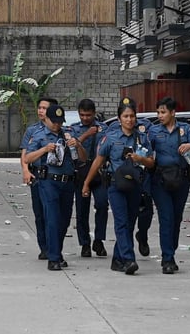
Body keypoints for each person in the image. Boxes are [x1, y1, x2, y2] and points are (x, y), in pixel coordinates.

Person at [82, 97, 153, 275]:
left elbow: (151, 162)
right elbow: (98, 161)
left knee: (129, 223)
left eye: (132, 116)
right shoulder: (110, 138)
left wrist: (141, 159)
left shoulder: (142, 137)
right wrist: (86, 183)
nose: (129, 120)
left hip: (135, 185)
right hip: (115, 185)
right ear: (119, 118)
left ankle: (117, 259)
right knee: (121, 222)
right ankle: (129, 259)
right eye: (126, 116)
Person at [24, 102, 85, 271]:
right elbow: (28, 158)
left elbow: (83, 159)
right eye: (54, 121)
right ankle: (54, 258)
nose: (57, 125)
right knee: (52, 218)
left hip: (68, 182)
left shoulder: (68, 134)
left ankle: (56, 251)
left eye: (60, 121)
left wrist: (77, 145)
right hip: (48, 182)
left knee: (64, 220)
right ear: (47, 119)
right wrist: (44, 149)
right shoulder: (38, 135)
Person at [148, 97, 190, 274]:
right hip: (160, 180)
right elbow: (146, 151)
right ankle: (167, 259)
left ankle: (171, 249)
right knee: (166, 217)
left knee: (176, 218)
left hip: (181, 179)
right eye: (158, 112)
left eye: (163, 112)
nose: (160, 115)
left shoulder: (185, 129)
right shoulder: (154, 131)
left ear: (173, 113)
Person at [69, 98, 108, 258]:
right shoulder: (73, 129)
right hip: (81, 172)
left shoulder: (103, 128)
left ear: (94, 113)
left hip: (99, 173)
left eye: (88, 115)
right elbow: (71, 146)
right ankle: (84, 243)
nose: (85, 118)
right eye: (82, 115)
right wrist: (86, 134)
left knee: (102, 204)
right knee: (82, 210)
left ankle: (98, 240)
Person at [20, 98, 52, 260]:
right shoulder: (32, 130)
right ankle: (44, 248)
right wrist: (25, 171)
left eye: (45, 108)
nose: (41, 111)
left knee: (52, 214)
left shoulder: (59, 129)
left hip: (53, 176)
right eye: (39, 107)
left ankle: (53, 246)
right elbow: (24, 154)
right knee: (39, 214)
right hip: (37, 175)